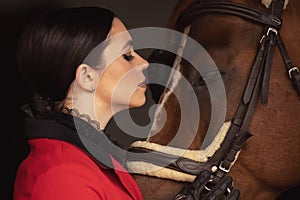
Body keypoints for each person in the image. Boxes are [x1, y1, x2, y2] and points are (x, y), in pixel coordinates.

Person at [14, 6, 148, 200]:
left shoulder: (93, 160)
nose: (144, 63)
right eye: (127, 55)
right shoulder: (60, 176)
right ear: (87, 76)